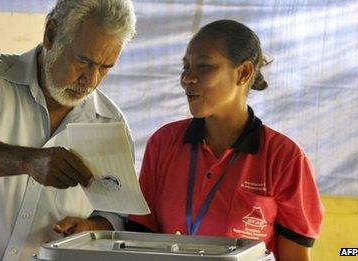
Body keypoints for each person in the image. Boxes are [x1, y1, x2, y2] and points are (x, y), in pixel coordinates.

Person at [0, 0, 136, 260]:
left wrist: (90, 229)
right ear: (51, 34)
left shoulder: (110, 123)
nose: (91, 80)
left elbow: (114, 214)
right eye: (83, 61)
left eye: (105, 67)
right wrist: (30, 161)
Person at [127, 20, 323, 260]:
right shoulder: (164, 143)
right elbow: (139, 237)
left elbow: (295, 257)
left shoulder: (285, 158)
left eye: (204, 66)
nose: (188, 78)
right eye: (186, 67)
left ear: (243, 72)